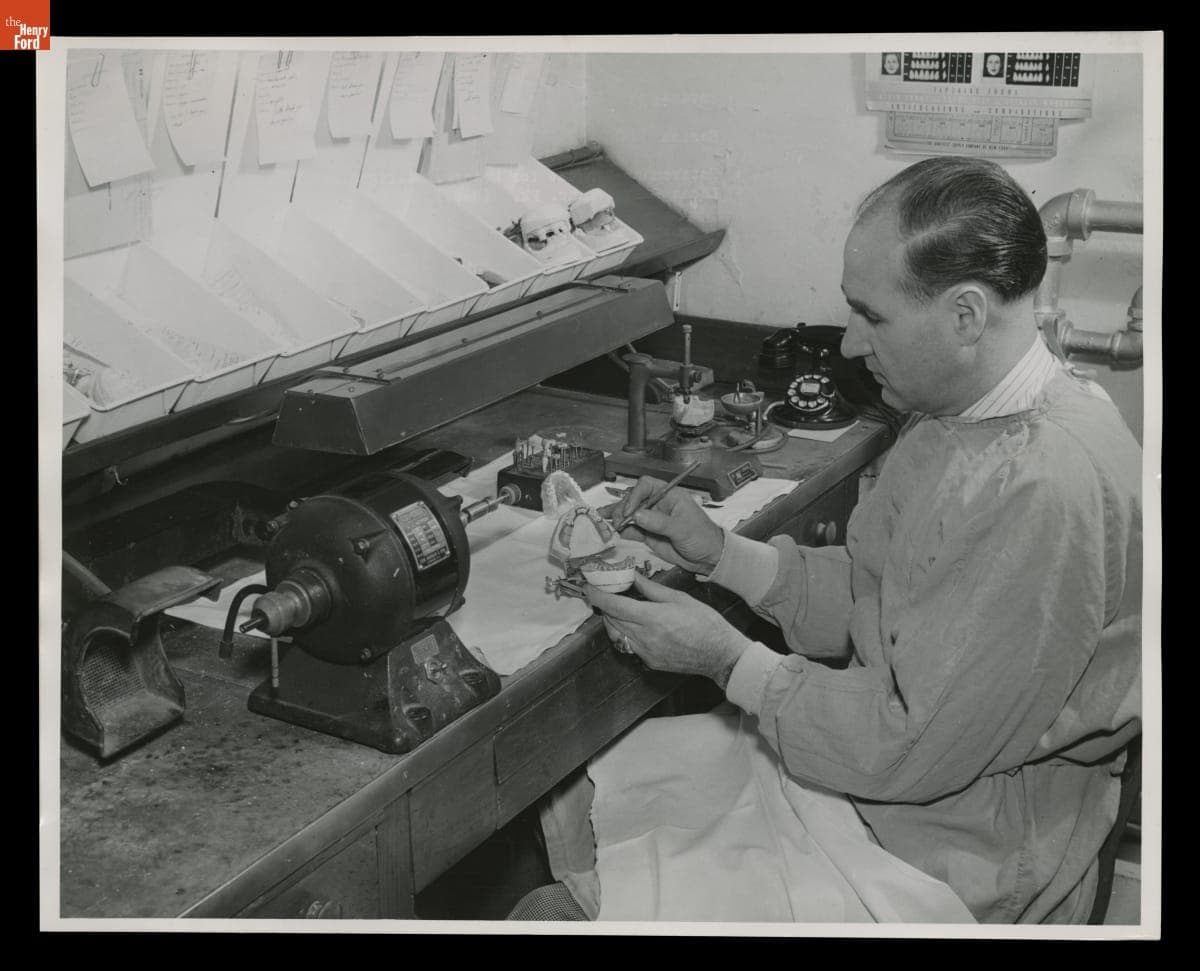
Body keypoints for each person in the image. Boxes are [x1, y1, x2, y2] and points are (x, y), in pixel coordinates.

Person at [510, 156, 1142, 925]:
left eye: (871, 317)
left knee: (560, 901)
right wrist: (721, 554)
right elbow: (882, 589)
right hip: (902, 778)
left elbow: (907, 743)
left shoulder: (1047, 486)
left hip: (954, 844)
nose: (847, 344)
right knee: (585, 790)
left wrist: (723, 656)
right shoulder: (958, 413)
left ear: (967, 315)